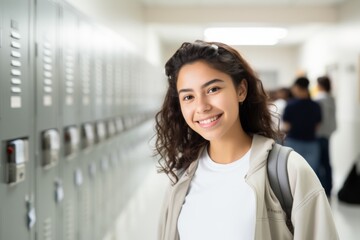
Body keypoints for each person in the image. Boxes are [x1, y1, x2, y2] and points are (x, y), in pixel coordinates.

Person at [154, 40, 338, 240]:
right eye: (188, 97)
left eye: (213, 89)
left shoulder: (289, 171)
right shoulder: (182, 176)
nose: (202, 107)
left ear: (241, 90)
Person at [282, 77, 322, 173]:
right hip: (311, 142)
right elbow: (318, 125)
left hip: (293, 142)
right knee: (311, 173)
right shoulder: (315, 105)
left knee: (292, 173)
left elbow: (286, 126)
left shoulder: (290, 105)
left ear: (297, 87)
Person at [315, 76, 337, 197]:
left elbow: (318, 119)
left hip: (319, 134)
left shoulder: (319, 99)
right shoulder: (331, 98)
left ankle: (321, 189)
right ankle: (328, 188)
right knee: (326, 162)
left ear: (319, 85)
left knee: (318, 162)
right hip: (328, 133)